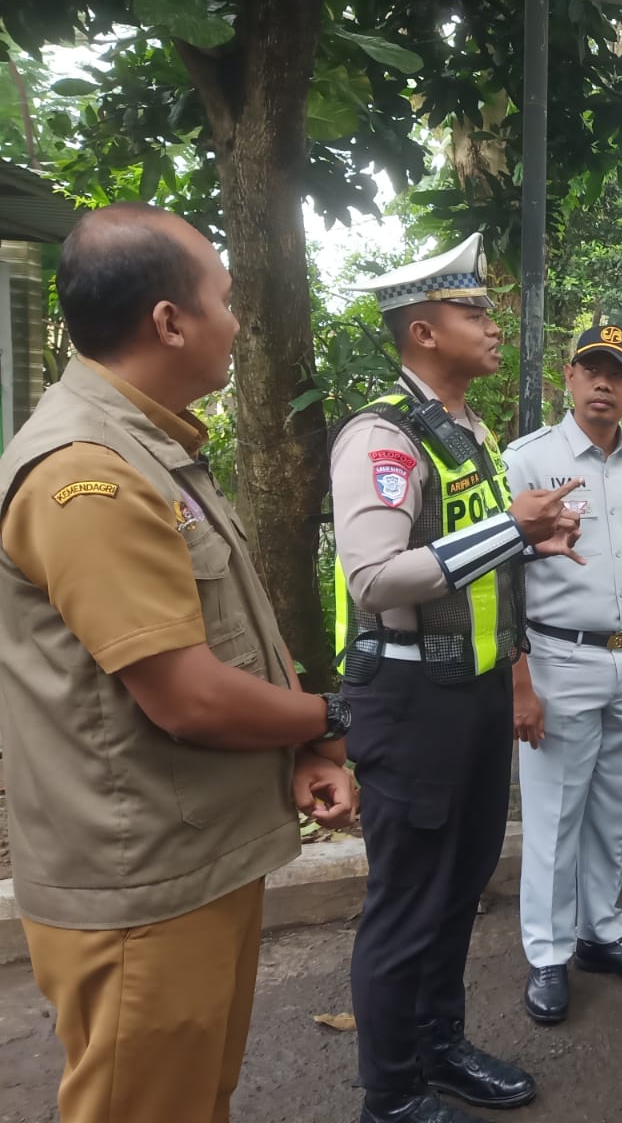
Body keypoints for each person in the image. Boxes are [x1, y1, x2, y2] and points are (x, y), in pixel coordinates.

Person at [0, 203, 357, 1123]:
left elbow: (231, 632)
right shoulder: (90, 473)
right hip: (141, 880)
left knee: (195, 1099)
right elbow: (188, 696)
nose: (237, 322)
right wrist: (335, 716)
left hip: (196, 853)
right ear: (169, 321)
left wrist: (303, 745)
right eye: (227, 301)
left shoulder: (153, 448)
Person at [336, 234, 582, 1123]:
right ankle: (390, 1093)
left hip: (470, 695)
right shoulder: (383, 436)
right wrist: (511, 531)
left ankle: (437, 1048)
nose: (493, 324)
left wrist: (533, 540)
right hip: (410, 703)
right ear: (423, 331)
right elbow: (375, 577)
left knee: (458, 889)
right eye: (474, 312)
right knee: (407, 903)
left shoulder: (466, 434)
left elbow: (466, 564)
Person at [507, 321, 622, 1026]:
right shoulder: (527, 461)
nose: (603, 383)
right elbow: (500, 579)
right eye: (591, 369)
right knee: (553, 815)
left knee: (612, 810)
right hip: (557, 658)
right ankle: (547, 955)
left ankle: (600, 933)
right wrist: (519, 681)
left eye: (619, 373)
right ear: (568, 378)